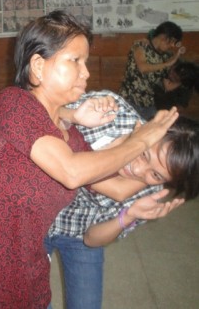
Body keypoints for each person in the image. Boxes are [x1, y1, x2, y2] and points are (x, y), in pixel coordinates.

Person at [0, 10, 178, 308]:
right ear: (38, 66)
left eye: (85, 62)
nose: (85, 72)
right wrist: (141, 140)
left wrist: (164, 179)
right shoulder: (13, 103)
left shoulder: (70, 136)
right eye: (75, 61)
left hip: (22, 271)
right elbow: (71, 172)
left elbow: (117, 188)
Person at [45, 90, 199, 309]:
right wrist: (72, 115)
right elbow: (41, 113)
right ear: (142, 128)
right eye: (144, 153)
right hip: (33, 219)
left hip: (79, 235)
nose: (136, 169)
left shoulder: (149, 194)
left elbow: (90, 239)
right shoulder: (110, 112)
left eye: (156, 175)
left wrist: (128, 217)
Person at [119, 21, 186, 120]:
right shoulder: (141, 45)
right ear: (163, 37)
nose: (172, 46)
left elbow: (167, 86)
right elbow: (143, 68)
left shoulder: (166, 55)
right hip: (130, 99)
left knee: (154, 128)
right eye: (171, 41)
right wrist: (167, 64)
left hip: (148, 103)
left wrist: (185, 80)